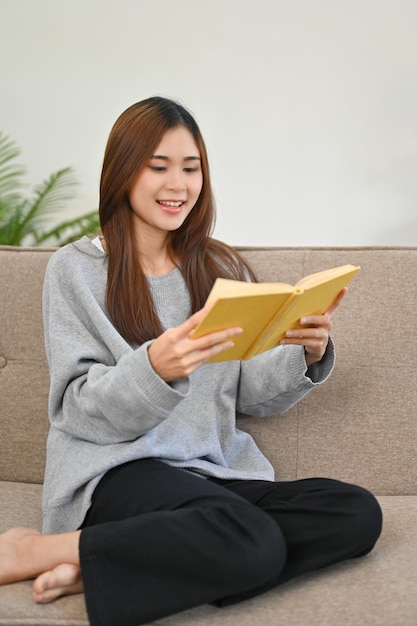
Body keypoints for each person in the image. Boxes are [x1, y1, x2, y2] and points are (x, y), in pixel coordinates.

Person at [0, 97, 382, 626]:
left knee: (354, 513)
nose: (177, 184)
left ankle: (101, 562)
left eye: (191, 167)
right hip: (118, 471)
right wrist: (155, 368)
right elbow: (75, 409)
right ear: (122, 172)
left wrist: (302, 351)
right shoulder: (76, 270)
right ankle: (34, 549)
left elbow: (248, 393)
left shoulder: (217, 265)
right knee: (250, 540)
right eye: (158, 167)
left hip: (210, 471)